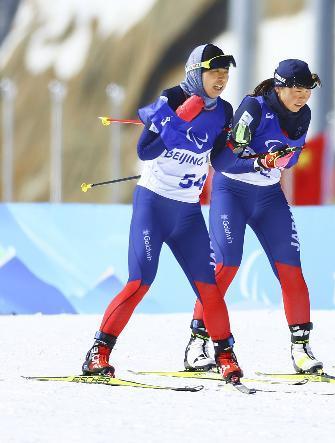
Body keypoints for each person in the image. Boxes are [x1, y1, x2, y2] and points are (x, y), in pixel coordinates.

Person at [82, 44, 244, 383]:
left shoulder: (224, 111)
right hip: (153, 205)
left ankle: (225, 355)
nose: (221, 79)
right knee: (140, 281)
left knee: (208, 288)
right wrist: (175, 123)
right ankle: (98, 353)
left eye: (225, 74)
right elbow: (146, 150)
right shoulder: (172, 97)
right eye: (215, 72)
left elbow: (220, 160)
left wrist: (245, 150)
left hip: (187, 212)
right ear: (196, 73)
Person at [183, 59, 324, 374]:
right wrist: (261, 160)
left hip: (269, 197)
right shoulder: (254, 107)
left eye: (307, 90)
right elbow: (225, 161)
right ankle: (197, 341)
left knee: (291, 270)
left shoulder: (304, 114)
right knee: (226, 265)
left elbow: (294, 157)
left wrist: (281, 160)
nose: (302, 96)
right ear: (280, 86)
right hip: (232, 193)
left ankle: (301, 349)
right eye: (296, 89)